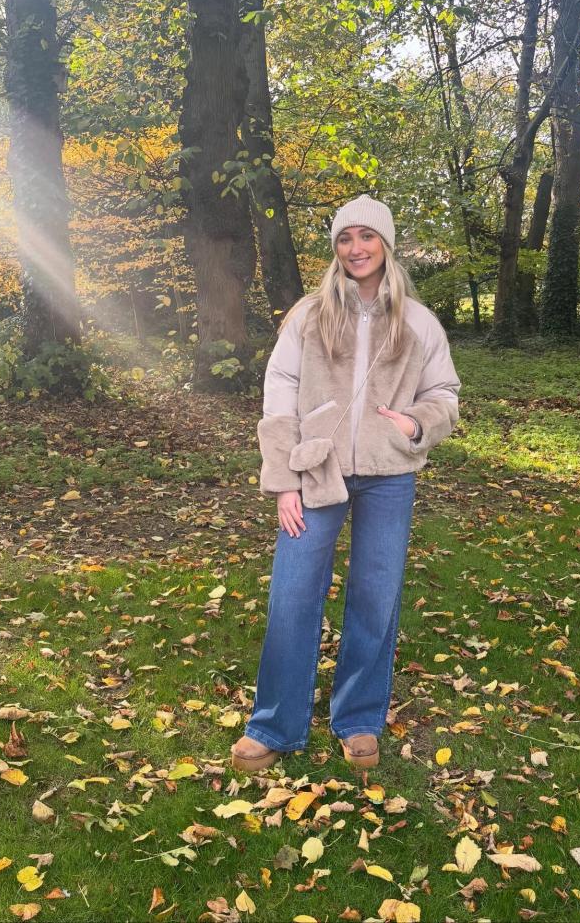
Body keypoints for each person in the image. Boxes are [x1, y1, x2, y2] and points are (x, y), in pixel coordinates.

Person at [231, 194, 460, 772]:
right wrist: (284, 479)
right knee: (293, 592)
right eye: (345, 238)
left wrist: (416, 424)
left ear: (386, 244)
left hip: (390, 476)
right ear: (335, 248)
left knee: (375, 596)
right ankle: (274, 724)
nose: (356, 248)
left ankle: (358, 718)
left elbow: (444, 394)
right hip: (315, 470)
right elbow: (279, 392)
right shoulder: (308, 316)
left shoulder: (418, 321)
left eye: (367, 236)